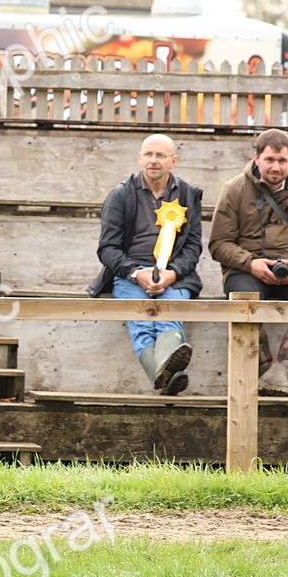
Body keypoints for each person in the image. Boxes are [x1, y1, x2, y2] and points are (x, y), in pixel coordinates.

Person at [90, 134, 203, 395]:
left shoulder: (188, 195)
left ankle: (162, 377)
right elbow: (107, 248)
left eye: (160, 155)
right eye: (148, 154)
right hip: (129, 274)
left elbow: (193, 246)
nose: (154, 160)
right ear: (140, 158)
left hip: (176, 275)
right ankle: (170, 376)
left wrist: (172, 274)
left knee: (169, 316)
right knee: (142, 322)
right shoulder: (120, 195)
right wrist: (135, 273)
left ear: (173, 161)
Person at [209, 128, 288, 397]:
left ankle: (281, 372)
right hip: (247, 270)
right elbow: (219, 244)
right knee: (242, 297)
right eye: (269, 160)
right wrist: (251, 263)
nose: (275, 167)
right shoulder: (234, 190)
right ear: (256, 158)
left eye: (282, 160)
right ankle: (266, 367)